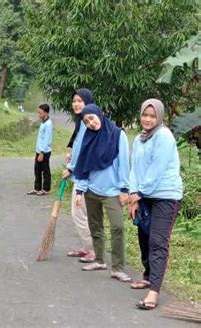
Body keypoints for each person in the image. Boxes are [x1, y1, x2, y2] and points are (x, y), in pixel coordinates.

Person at [128, 99, 183, 310]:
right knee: (143, 235)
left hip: (165, 196)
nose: (148, 119)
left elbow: (156, 169)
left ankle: (154, 292)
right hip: (143, 195)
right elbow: (135, 169)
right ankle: (148, 275)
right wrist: (134, 192)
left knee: (158, 242)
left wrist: (139, 193)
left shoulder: (164, 137)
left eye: (152, 116)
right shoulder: (139, 139)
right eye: (145, 115)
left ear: (159, 117)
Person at [73, 104, 131, 283]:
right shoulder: (88, 138)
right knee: (95, 226)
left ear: (100, 114)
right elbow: (83, 165)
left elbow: (124, 163)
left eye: (92, 118)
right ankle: (99, 260)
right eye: (86, 121)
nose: (91, 123)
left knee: (118, 227)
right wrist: (80, 190)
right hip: (91, 190)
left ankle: (118, 268)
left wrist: (124, 189)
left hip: (112, 191)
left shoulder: (117, 134)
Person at [62, 89, 95, 263]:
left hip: (84, 176)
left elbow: (85, 149)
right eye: (74, 101)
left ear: (88, 103)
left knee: (79, 213)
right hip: (81, 173)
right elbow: (78, 147)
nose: (76, 104)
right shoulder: (82, 121)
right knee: (83, 212)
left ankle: (92, 249)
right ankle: (87, 246)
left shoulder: (86, 122)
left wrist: (71, 168)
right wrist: (71, 158)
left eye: (80, 101)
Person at [27, 103, 53, 196]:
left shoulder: (48, 124)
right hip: (39, 151)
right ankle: (37, 188)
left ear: (46, 113)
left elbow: (46, 139)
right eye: (38, 113)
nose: (39, 115)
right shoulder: (43, 122)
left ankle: (46, 189)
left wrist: (42, 152)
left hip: (44, 152)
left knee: (45, 170)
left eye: (40, 113)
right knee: (37, 170)